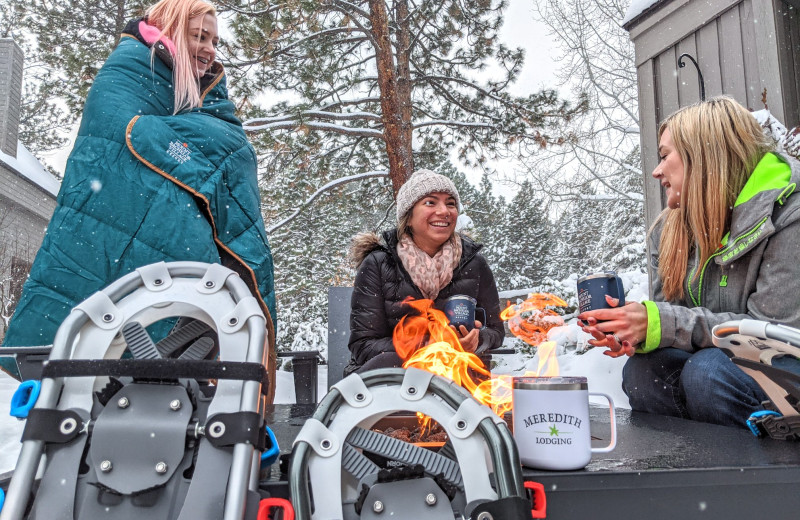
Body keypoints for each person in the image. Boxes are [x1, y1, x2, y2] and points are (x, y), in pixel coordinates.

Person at [2, 0, 277, 400]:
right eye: (198, 36)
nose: (209, 49)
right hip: (106, 224)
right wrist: (208, 146)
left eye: (215, 40)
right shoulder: (131, 68)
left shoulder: (200, 91)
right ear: (170, 29)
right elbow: (117, 135)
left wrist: (212, 144)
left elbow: (219, 143)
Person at [577, 96, 800, 428]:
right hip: (719, 362)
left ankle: (766, 472)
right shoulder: (670, 231)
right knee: (645, 371)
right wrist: (638, 331)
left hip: (784, 362)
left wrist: (660, 323)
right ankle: (684, 469)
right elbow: (674, 321)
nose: (656, 171)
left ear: (706, 156)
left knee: (708, 373)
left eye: (665, 156)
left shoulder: (788, 216)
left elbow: (773, 333)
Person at [344, 169, 505, 375]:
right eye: (431, 202)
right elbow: (364, 346)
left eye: (450, 203)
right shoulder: (378, 264)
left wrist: (477, 339)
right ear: (408, 217)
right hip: (391, 380)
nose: (444, 211)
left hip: (456, 379)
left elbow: (496, 331)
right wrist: (433, 346)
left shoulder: (475, 264)